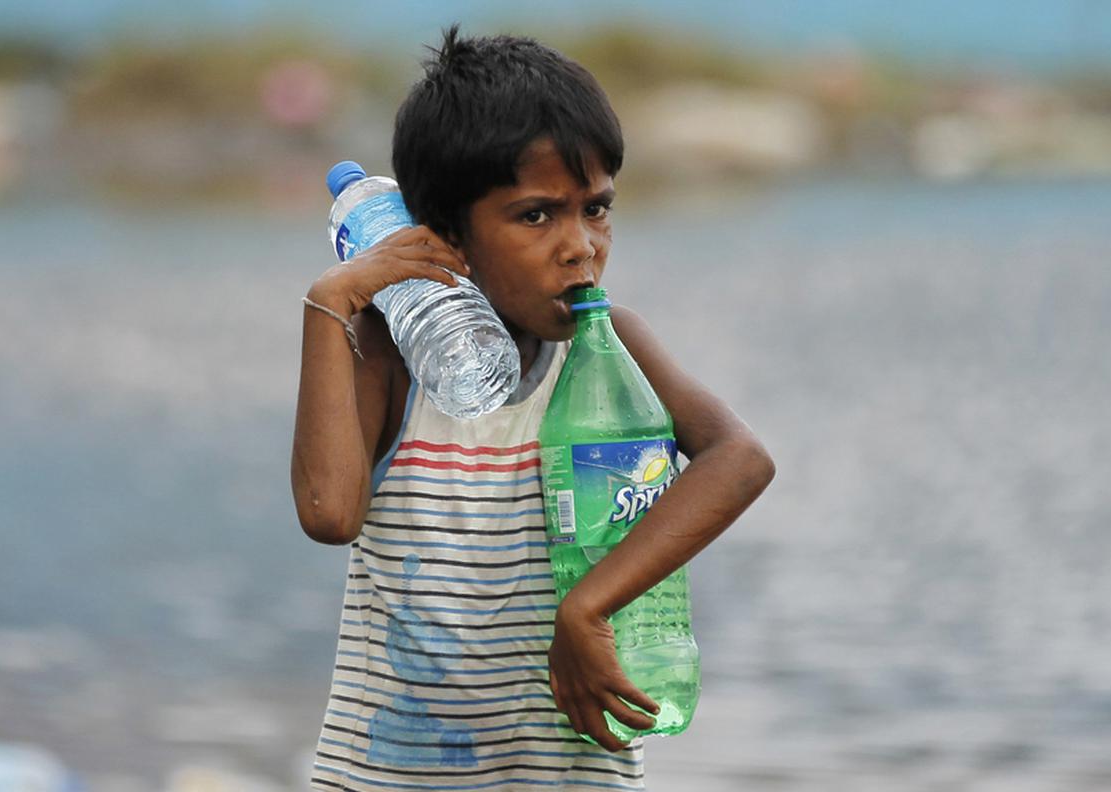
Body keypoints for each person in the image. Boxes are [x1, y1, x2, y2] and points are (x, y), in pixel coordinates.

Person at [291, 25, 775, 792]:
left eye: (598, 209)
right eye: (537, 216)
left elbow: (740, 459)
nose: (581, 246)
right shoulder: (392, 356)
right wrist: (331, 305)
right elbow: (328, 514)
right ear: (446, 234)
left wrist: (587, 609)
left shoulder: (610, 348)